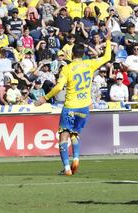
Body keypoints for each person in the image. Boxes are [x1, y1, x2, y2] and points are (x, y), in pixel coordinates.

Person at [34, 31, 112, 176]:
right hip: (84, 107)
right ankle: (75, 158)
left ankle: (67, 168)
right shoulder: (90, 64)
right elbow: (107, 57)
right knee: (75, 134)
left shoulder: (67, 68)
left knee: (63, 136)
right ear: (83, 54)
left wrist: (45, 98)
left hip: (70, 106)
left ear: (71, 54)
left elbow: (57, 87)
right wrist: (107, 41)